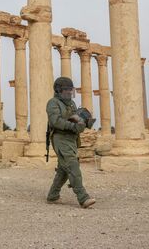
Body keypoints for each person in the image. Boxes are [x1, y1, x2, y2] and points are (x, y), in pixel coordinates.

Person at [46, 76, 96, 208]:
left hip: (72, 139)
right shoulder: (53, 103)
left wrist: (84, 122)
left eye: (70, 90)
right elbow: (55, 121)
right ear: (58, 91)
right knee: (73, 166)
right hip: (60, 138)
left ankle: (53, 195)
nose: (69, 93)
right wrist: (73, 125)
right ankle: (83, 197)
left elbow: (76, 120)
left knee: (63, 170)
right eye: (66, 90)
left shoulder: (72, 104)